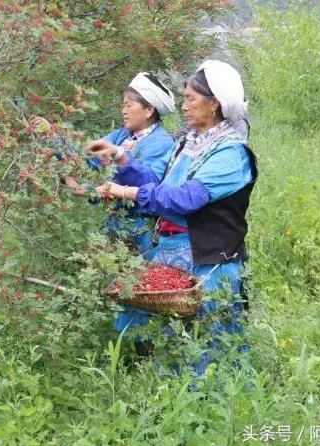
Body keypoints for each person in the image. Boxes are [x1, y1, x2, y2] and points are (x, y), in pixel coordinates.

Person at [92, 60, 257, 375]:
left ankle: (216, 411)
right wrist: (123, 159)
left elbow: (184, 200)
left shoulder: (232, 154)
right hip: (171, 253)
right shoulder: (187, 144)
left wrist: (126, 192)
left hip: (209, 260)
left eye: (191, 99)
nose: (183, 107)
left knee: (213, 341)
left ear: (215, 104)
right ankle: (172, 405)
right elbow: (160, 187)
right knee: (168, 339)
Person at [59, 72, 177, 251]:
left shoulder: (162, 142)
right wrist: (57, 141)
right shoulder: (121, 135)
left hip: (137, 230)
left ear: (148, 110)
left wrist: (118, 159)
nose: (123, 111)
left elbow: (148, 183)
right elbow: (87, 159)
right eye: (123, 105)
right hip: (111, 223)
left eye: (129, 105)